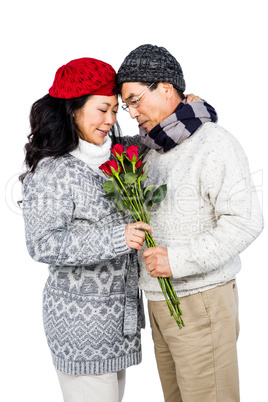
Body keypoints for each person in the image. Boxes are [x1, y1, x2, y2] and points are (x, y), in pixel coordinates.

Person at [116, 44, 264, 402]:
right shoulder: (153, 148)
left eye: (135, 100)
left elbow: (246, 221)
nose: (132, 113)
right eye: (126, 105)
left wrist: (177, 260)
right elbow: (105, 143)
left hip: (200, 301)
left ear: (165, 88)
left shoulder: (213, 143)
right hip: (159, 301)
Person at [20, 57, 153, 402]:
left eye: (114, 110)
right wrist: (117, 238)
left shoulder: (117, 154)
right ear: (73, 110)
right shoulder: (54, 171)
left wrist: (189, 110)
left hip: (116, 321)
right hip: (81, 326)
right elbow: (42, 244)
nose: (111, 120)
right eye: (102, 110)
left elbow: (158, 136)